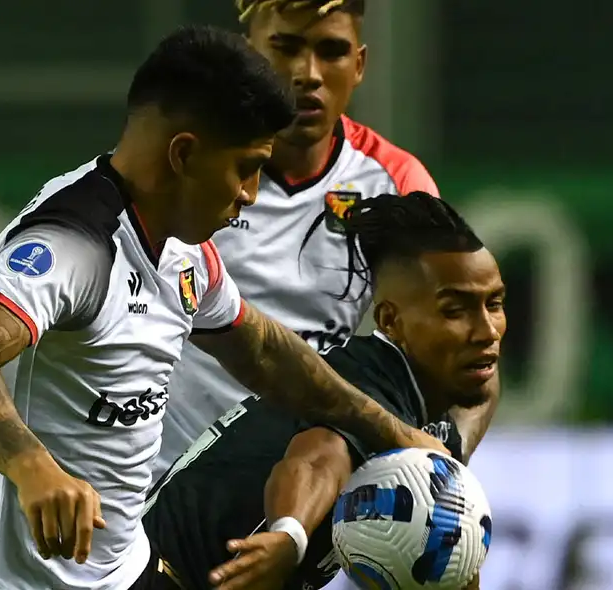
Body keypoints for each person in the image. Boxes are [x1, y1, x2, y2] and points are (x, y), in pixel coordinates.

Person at [0, 25, 448, 590]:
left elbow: (267, 353)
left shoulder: (184, 251)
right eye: (245, 167)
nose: (249, 193)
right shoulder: (74, 244)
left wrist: (394, 433)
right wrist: (31, 465)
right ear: (184, 154)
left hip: (122, 569)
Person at [155, 0, 498, 480]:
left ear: (359, 65)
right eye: (286, 47)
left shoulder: (395, 184)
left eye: (331, 51)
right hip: (161, 488)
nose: (307, 74)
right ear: (245, 54)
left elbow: (469, 351)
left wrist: (446, 462)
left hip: (313, 488)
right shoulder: (184, 167)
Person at [144, 193, 505, 590]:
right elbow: (319, 457)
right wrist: (290, 535)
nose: (487, 330)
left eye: (495, 304)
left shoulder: (439, 396)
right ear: (391, 320)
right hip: (157, 575)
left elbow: (483, 397)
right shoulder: (366, 384)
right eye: (455, 311)